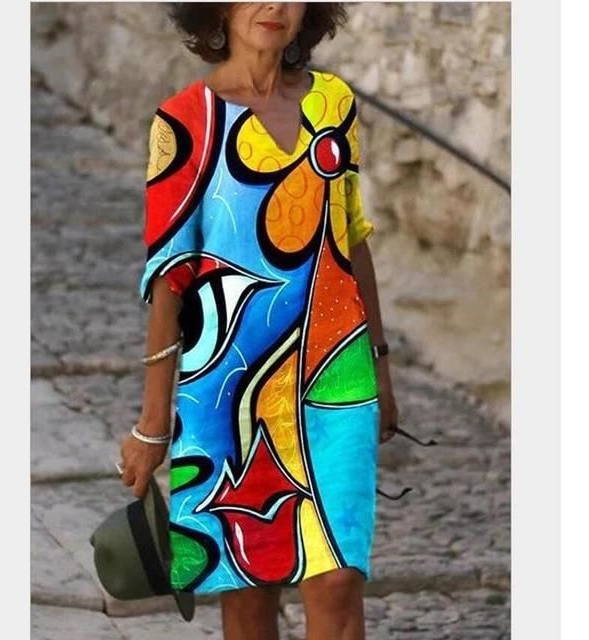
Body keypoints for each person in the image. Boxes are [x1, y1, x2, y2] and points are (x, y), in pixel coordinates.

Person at [120, 3, 399, 639]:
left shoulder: (333, 104)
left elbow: (352, 237)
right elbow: (169, 277)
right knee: (247, 590)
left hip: (335, 376)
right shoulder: (184, 121)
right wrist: (152, 423)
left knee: (338, 578)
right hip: (225, 394)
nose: (272, 5)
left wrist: (380, 365)